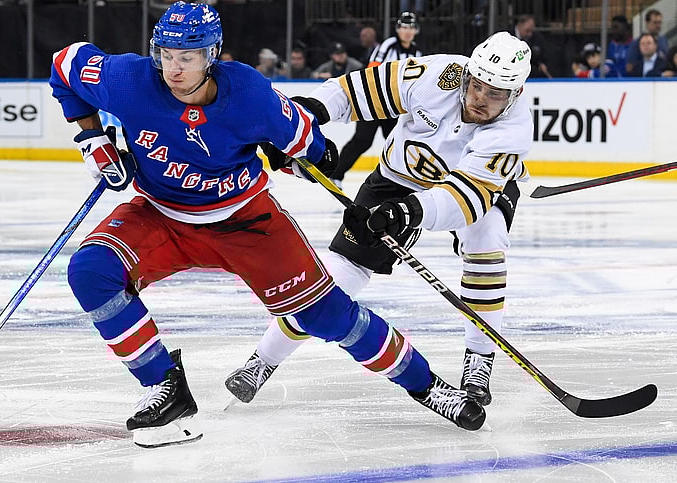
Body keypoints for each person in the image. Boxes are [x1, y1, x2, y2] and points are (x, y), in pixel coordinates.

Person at [49, 1, 486, 449]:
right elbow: (64, 65)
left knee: (327, 315)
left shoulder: (250, 94)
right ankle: (164, 387)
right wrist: (92, 139)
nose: (172, 68)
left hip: (246, 222)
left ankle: (427, 385)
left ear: (212, 54)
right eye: (165, 54)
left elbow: (315, 150)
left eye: (187, 57)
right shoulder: (128, 80)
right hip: (161, 215)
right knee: (91, 271)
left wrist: (297, 159)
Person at [226, 31, 534, 414]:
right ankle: (262, 361)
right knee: (337, 282)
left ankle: (479, 361)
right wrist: (299, 118)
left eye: (495, 94)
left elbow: (465, 200)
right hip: (396, 180)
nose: (480, 99)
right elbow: (355, 91)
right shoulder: (437, 75)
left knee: (487, 242)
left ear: (515, 95)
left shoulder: (513, 130)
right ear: (468, 73)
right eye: (477, 85)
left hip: (473, 189)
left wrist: (408, 213)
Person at [332, 12, 423, 185]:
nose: (407, 31)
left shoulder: (417, 52)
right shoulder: (388, 45)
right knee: (363, 140)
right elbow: (372, 68)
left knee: (398, 142)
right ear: (397, 29)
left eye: (411, 27)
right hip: (373, 101)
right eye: (404, 27)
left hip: (394, 106)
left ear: (416, 30)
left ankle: (400, 181)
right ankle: (336, 174)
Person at [626, 9, 669, 77]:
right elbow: (630, 66)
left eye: (659, 22)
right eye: (655, 22)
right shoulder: (637, 43)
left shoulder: (663, 40)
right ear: (647, 23)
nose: (658, 25)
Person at [510, 14, 552, 78]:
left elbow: (542, 56)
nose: (530, 34)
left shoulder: (536, 38)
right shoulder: (508, 36)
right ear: (520, 26)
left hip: (530, 73)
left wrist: (542, 63)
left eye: (531, 31)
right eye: (527, 31)